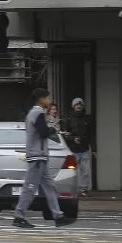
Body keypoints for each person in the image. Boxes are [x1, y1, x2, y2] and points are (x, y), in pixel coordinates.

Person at [14, 88, 74, 228]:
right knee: (30, 187)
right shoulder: (38, 112)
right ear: (41, 99)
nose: (49, 101)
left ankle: (58, 216)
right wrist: (54, 129)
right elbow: (43, 132)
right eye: (48, 98)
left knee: (50, 187)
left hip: (40, 156)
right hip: (37, 156)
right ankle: (19, 215)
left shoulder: (33, 113)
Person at [61, 97, 93, 195]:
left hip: (85, 148)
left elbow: (91, 134)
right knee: (73, 171)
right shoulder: (69, 119)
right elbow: (64, 134)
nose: (78, 106)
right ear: (73, 106)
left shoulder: (87, 118)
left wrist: (94, 149)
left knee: (86, 170)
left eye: (80, 105)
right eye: (76, 104)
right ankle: (75, 189)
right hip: (73, 149)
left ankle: (83, 189)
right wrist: (73, 139)